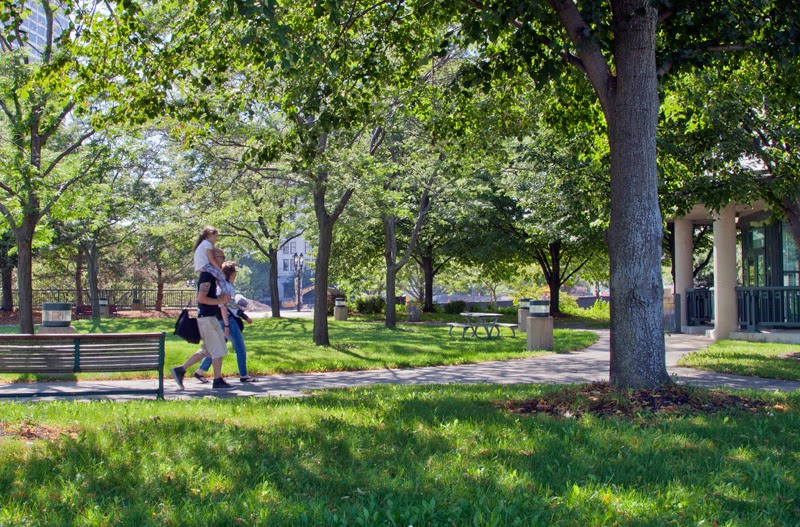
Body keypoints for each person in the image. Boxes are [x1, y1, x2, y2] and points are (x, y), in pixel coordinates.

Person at [170, 251, 234, 391]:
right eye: (221, 257)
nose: (223, 260)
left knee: (207, 350)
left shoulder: (212, 275)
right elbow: (201, 298)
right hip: (207, 319)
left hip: (209, 318)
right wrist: (220, 300)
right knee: (218, 350)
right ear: (212, 259)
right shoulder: (207, 276)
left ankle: (180, 370)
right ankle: (217, 381)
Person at [194, 257, 259, 383]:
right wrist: (228, 325)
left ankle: (200, 371)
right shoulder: (225, 287)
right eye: (235, 272)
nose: (236, 274)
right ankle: (244, 375)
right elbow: (224, 306)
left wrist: (244, 317)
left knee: (217, 348)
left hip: (222, 321)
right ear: (231, 273)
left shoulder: (226, 286)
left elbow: (231, 305)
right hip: (227, 321)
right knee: (240, 348)